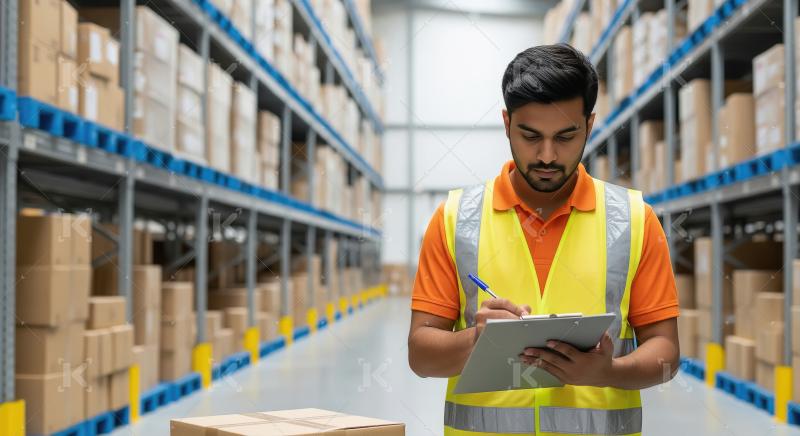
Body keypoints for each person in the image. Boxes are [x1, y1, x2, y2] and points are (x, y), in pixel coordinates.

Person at [407, 44, 680, 436]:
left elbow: (667, 353)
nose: (548, 156)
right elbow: (420, 356)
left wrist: (609, 372)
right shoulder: (455, 218)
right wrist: (475, 340)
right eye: (530, 136)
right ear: (506, 123)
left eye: (566, 136)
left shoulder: (635, 220)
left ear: (589, 125)